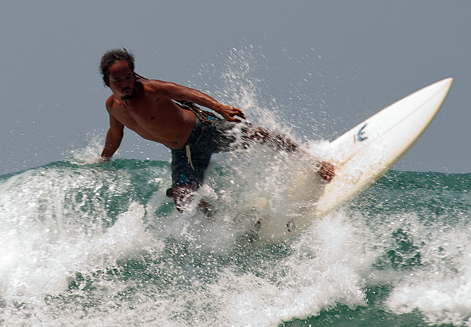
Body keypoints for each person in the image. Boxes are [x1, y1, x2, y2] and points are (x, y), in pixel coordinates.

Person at [96, 49, 334, 213]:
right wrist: (102, 160)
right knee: (183, 201)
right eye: (117, 80)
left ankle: (314, 162)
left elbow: (184, 92)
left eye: (128, 77)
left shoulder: (150, 89)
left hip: (205, 130)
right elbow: (115, 135)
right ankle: (224, 222)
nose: (124, 83)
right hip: (184, 153)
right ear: (107, 82)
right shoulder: (113, 107)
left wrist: (219, 108)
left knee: (260, 135)